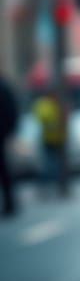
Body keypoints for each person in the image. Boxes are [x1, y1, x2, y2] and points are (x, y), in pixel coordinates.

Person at [0, 74, 18, 216]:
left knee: (4, 170)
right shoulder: (5, 87)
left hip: (2, 132)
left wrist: (8, 131)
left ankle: (10, 203)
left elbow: (12, 110)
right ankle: (10, 203)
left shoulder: (3, 87)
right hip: (3, 132)